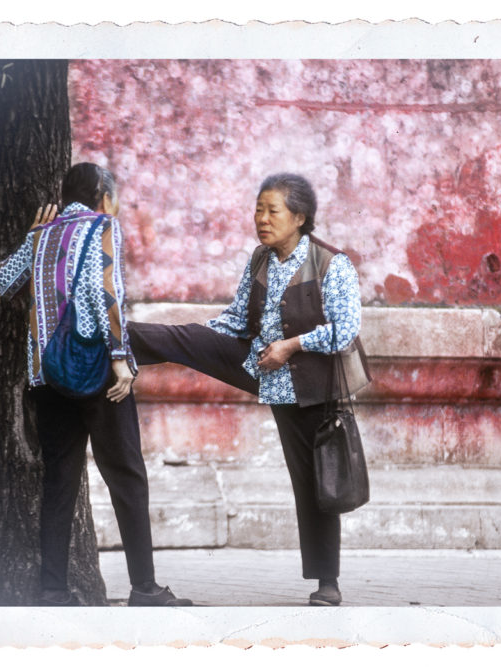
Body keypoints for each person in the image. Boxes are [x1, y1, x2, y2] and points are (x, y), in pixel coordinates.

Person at [129, 172, 371, 606]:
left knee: (314, 485)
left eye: (271, 210)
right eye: (258, 209)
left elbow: (346, 330)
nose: (261, 218)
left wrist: (291, 345)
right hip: (261, 365)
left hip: (311, 386)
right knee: (192, 337)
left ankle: (327, 582)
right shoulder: (260, 258)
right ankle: (119, 341)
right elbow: (238, 318)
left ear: (299, 216)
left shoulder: (332, 263)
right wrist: (206, 338)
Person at [0, 162, 190, 607]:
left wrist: (31, 240)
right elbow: (108, 293)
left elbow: (2, 282)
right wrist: (121, 359)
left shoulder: (42, 235)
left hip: (46, 375)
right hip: (96, 371)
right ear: (102, 194)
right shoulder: (103, 225)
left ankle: (53, 590)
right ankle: (144, 588)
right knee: (127, 476)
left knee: (60, 479)